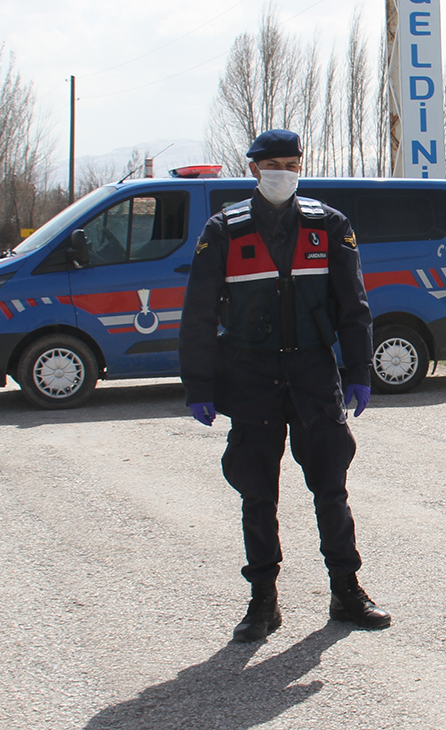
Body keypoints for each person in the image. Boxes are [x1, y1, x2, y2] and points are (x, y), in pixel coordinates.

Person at [179, 130, 391, 642]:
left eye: (289, 162)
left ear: (302, 164)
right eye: (271, 163)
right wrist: (198, 384)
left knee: (331, 490)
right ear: (253, 168)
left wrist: (359, 372)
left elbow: (353, 308)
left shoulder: (328, 225)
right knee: (257, 495)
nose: (281, 171)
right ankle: (263, 602)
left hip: (314, 376)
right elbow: (199, 315)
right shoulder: (223, 230)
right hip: (251, 377)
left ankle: (346, 590)